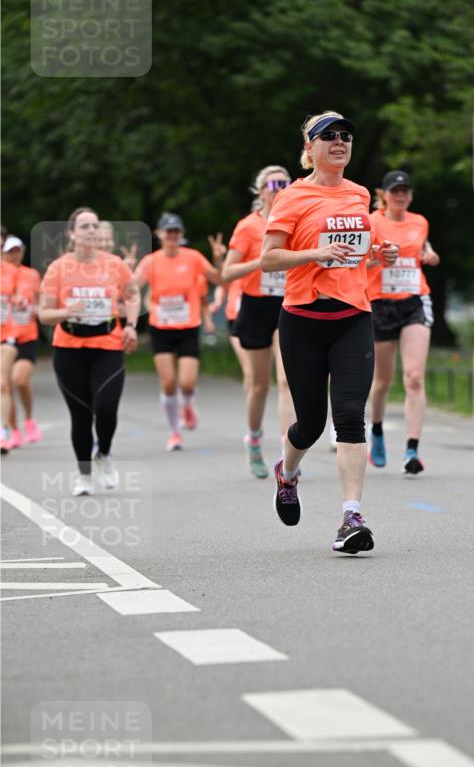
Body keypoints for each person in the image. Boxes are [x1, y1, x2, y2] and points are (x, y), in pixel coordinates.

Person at [261, 110, 398, 553]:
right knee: (310, 425)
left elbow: (361, 251)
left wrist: (382, 252)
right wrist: (314, 253)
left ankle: (350, 517)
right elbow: (269, 259)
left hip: (353, 318)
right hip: (302, 321)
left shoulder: (360, 195)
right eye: (328, 136)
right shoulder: (292, 198)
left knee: (349, 418)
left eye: (345, 136)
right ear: (309, 147)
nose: (339, 142)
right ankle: (288, 472)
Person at [38, 206, 140, 495]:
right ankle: (83, 474)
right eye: (85, 227)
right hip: (68, 349)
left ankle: (104, 454)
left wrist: (131, 325)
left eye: (95, 226)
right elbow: (43, 314)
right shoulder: (58, 268)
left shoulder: (115, 264)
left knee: (106, 408)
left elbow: (132, 295)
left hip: (107, 345)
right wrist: (64, 311)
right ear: (72, 233)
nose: (92, 231)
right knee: (81, 416)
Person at [222, 167, 295, 478]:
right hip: (255, 306)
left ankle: (286, 455)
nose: (279, 189)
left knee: (286, 380)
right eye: (273, 184)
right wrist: (263, 261)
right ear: (260, 190)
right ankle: (253, 439)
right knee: (258, 383)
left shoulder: (297, 222)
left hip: (288, 303)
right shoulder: (248, 227)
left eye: (285, 183)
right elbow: (226, 273)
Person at [367, 170, 440, 474]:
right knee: (382, 381)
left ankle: (412, 450)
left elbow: (422, 248)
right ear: (383, 194)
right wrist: (378, 260)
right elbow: (359, 261)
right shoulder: (371, 222)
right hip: (379, 302)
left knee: (413, 376)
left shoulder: (420, 221)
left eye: (405, 191)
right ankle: (378, 430)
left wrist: (430, 254)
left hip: (414, 300)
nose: (401, 195)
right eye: (395, 190)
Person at [134, 214, 224, 451]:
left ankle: (187, 405)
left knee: (186, 383)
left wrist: (218, 260)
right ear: (159, 234)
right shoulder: (150, 261)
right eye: (168, 232)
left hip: (188, 328)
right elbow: (132, 286)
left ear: (181, 234)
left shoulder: (193, 258)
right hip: (161, 328)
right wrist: (125, 268)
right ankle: (174, 432)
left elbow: (218, 278)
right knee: (168, 383)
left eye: (176, 231)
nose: (172, 236)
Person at [2, 236, 42, 446]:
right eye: (10, 251)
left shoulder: (31, 275)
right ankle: (12, 430)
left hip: (27, 335)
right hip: (5, 337)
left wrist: (31, 308)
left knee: (20, 379)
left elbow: (43, 301)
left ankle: (29, 420)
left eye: (18, 250)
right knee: (5, 385)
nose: (14, 255)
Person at [0, 242, 18, 454]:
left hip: (8, 334)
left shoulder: (13, 273)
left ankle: (3, 432)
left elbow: (25, 295)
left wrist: (20, 299)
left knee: (3, 383)